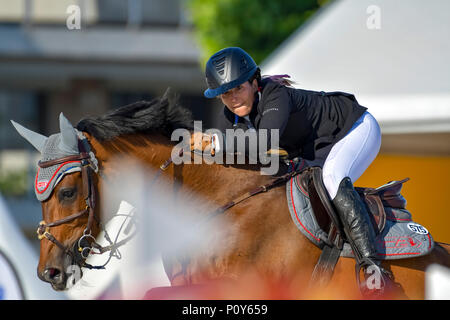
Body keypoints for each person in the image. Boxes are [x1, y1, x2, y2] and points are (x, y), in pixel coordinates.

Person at [191, 47, 392, 294]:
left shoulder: (276, 95)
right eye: (225, 94)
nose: (233, 99)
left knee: (332, 179)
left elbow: (264, 142)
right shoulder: (230, 115)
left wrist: (215, 142)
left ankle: (373, 269)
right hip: (314, 148)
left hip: (354, 129)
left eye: (239, 89)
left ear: (255, 83)